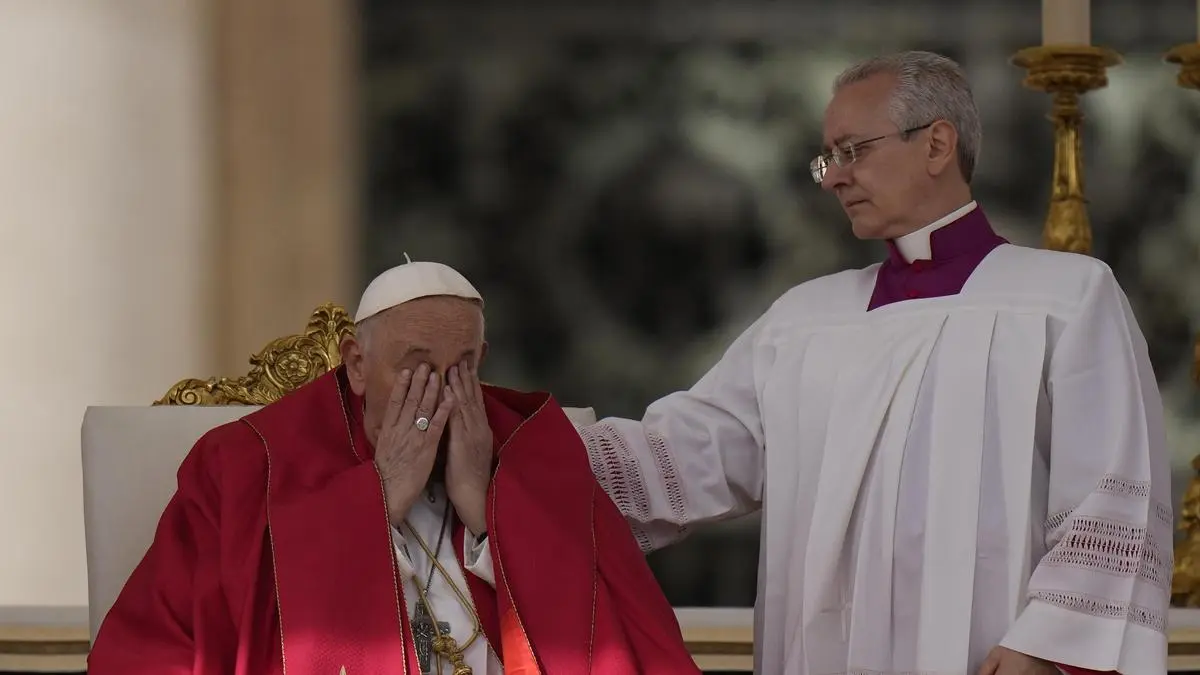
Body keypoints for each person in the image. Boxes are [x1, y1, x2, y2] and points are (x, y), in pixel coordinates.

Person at [577, 51, 1171, 675]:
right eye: (826, 159)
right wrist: (528, 449)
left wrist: (1048, 644)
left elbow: (1111, 490)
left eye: (852, 151)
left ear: (936, 144)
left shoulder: (1064, 297)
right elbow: (688, 454)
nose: (833, 178)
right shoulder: (803, 320)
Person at [88, 260, 701, 675]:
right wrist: (372, 507)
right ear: (356, 363)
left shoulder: (533, 456)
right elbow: (157, 648)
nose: (439, 396)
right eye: (415, 368)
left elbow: (614, 642)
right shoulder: (248, 467)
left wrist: (489, 516)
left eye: (462, 368)